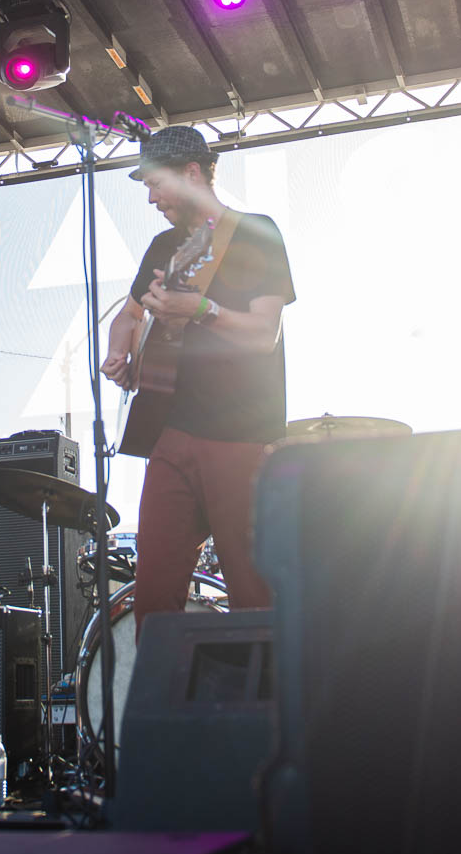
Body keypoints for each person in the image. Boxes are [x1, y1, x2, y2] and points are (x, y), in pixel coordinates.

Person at [100, 126, 296, 632]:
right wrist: (120, 349)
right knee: (153, 598)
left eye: (155, 183)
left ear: (191, 173)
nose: (150, 198)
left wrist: (201, 309)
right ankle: (160, 683)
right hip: (171, 434)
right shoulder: (163, 246)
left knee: (254, 594)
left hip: (242, 436)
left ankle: (268, 683)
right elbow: (129, 315)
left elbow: (264, 334)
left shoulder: (255, 233)